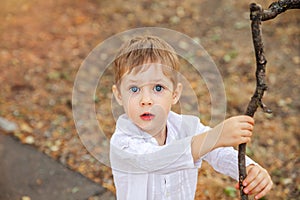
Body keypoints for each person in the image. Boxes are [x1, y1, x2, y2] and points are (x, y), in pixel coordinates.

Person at [109, 35, 272, 200]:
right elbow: (155, 160)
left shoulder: (186, 127)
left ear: (175, 94)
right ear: (119, 95)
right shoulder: (123, 143)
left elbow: (219, 152)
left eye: (158, 88)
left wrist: (250, 169)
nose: (146, 100)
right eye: (134, 89)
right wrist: (215, 137)